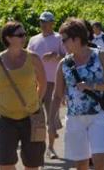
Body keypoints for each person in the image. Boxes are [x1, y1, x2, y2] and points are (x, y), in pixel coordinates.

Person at [52, 18, 104, 170]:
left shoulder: (100, 56)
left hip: (99, 114)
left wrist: (93, 86)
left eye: (64, 40)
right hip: (75, 118)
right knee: (81, 164)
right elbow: (57, 95)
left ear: (76, 39)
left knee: (99, 161)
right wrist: (51, 121)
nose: (62, 44)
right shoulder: (64, 64)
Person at [0, 21, 48, 170]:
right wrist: (6, 104)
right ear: (8, 38)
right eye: (20, 35)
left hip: (31, 117)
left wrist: (36, 101)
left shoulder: (33, 58)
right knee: (5, 163)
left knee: (32, 163)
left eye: (24, 34)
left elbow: (42, 83)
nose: (24, 38)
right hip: (6, 119)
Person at [27, 11, 67, 159]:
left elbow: (67, 57)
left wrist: (55, 56)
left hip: (52, 82)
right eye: (41, 22)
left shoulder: (59, 39)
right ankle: (39, 148)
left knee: (51, 117)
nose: (43, 24)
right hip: (34, 82)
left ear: (52, 23)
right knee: (36, 118)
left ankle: (50, 148)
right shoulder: (33, 40)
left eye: (46, 22)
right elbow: (27, 58)